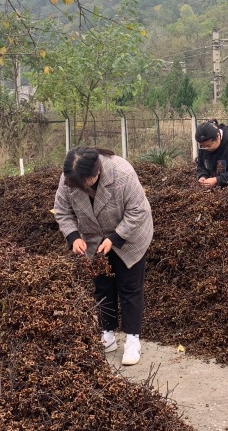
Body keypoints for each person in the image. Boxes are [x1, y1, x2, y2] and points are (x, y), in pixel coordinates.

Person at [53, 147, 153, 366]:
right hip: (94, 239)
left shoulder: (122, 172)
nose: (78, 186)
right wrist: (73, 237)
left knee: (129, 288)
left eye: (83, 182)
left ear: (95, 174)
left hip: (130, 236)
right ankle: (107, 334)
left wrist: (115, 238)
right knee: (103, 286)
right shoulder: (70, 177)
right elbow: (62, 210)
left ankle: (132, 339)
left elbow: (137, 210)